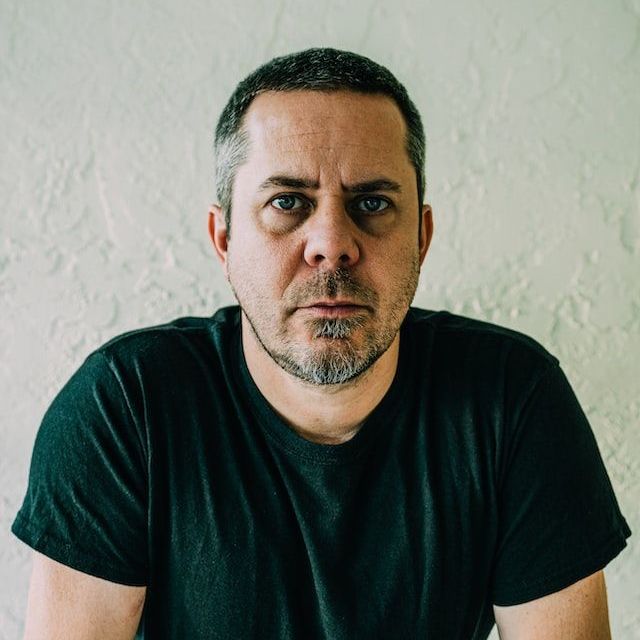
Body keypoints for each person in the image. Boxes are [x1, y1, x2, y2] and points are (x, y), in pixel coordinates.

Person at [12, 47, 631, 639]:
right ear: (224, 239)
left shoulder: (512, 402)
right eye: (287, 202)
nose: (332, 244)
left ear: (421, 237)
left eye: (372, 202)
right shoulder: (126, 407)